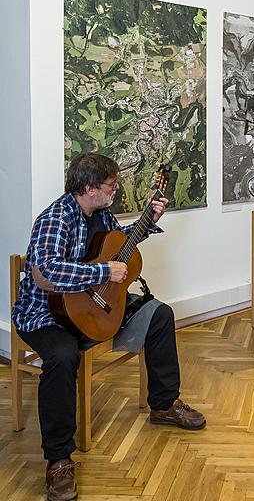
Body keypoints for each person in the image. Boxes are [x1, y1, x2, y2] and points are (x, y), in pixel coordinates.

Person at [12, 153, 206, 501]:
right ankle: (58, 460)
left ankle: (163, 404)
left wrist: (148, 220)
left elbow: (118, 245)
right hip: (45, 315)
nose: (116, 189)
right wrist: (103, 273)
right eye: (110, 185)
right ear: (88, 188)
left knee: (159, 314)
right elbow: (49, 272)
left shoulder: (100, 213)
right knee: (61, 357)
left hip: (94, 308)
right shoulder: (55, 219)